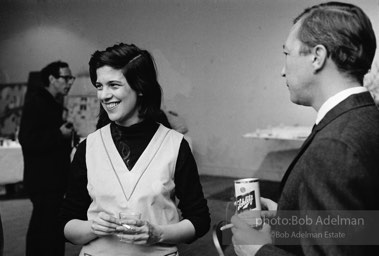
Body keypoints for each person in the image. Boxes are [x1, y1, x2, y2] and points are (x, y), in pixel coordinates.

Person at [231, 2, 379, 256]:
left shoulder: (335, 145)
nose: (282, 70)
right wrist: (290, 216)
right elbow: (364, 230)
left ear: (317, 57)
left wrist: (258, 250)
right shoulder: (365, 119)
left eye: (287, 54)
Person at [59, 43, 210, 256]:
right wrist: (93, 226)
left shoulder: (174, 145)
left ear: (140, 87)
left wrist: (158, 234)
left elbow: (199, 220)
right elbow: (67, 225)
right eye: (99, 86)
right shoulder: (88, 148)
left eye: (113, 85)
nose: (103, 95)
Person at [18, 61, 75, 256]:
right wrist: (59, 134)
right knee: (43, 228)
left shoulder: (51, 102)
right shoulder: (38, 101)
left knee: (49, 227)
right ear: (51, 79)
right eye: (65, 78)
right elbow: (27, 138)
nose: (70, 82)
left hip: (51, 178)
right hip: (43, 179)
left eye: (71, 78)